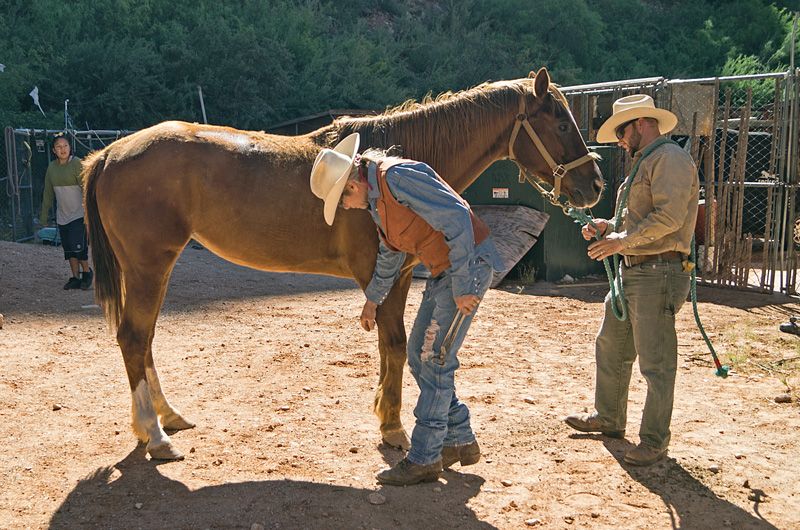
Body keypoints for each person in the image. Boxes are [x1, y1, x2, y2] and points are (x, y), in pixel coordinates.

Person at [309, 133, 502, 486]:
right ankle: (460, 439)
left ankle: (425, 458)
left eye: (342, 201)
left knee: (434, 359)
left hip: (467, 268)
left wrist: (462, 286)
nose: (345, 209)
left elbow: (457, 217)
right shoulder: (378, 201)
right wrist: (372, 300)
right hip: (446, 272)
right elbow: (391, 253)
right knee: (419, 354)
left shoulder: (398, 177)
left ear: (352, 185)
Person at [564, 94, 699, 466]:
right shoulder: (648, 161)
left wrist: (620, 240)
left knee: (656, 363)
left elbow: (669, 219)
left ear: (640, 123)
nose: (620, 141)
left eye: (621, 132)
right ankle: (609, 418)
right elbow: (640, 218)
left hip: (658, 272)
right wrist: (610, 226)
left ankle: (654, 441)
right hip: (635, 272)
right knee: (611, 346)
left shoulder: (670, 159)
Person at [38, 133, 92, 290]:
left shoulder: (77, 164)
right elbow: (48, 193)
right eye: (58, 147)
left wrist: (89, 214)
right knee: (69, 250)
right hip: (62, 216)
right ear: (54, 150)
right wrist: (44, 216)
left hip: (78, 214)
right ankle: (75, 277)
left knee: (79, 248)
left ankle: (87, 273)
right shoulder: (52, 168)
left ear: (70, 147)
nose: (62, 149)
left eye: (65, 146)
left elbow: (86, 190)